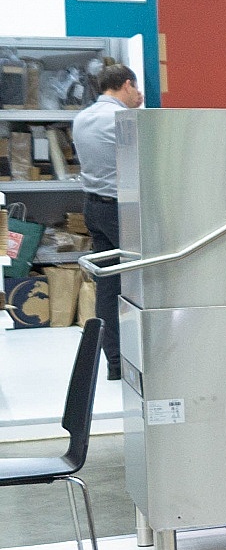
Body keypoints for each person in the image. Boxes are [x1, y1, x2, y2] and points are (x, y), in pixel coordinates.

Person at [72, 63, 141, 379]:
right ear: (127, 85)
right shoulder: (122, 119)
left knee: (108, 286)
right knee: (145, 281)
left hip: (94, 208)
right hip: (120, 211)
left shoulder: (82, 118)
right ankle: (143, 358)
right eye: (136, 88)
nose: (139, 95)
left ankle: (115, 363)